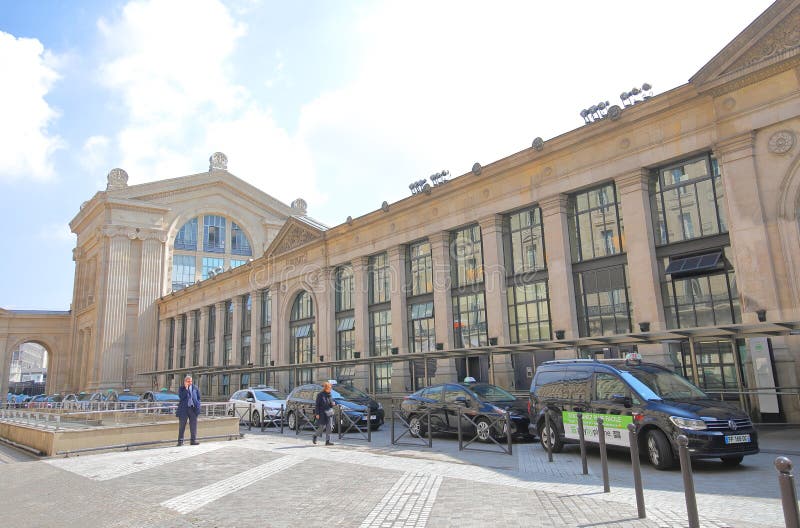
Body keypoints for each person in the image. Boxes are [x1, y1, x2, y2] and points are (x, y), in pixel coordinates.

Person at [177, 375, 201, 446]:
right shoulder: (181, 388)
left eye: (190, 381)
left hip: (193, 409)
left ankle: (193, 440)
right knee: (182, 426)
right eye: (188, 381)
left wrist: (198, 404)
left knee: (193, 426)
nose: (190, 382)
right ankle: (180, 441)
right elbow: (181, 397)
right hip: (184, 409)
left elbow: (198, 397)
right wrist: (186, 389)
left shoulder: (195, 388)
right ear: (185, 382)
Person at [312, 381, 336, 446]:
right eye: (329, 388)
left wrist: (332, 404)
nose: (330, 389)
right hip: (322, 413)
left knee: (329, 427)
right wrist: (317, 414)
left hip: (329, 413)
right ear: (326, 388)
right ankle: (315, 435)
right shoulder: (320, 395)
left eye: (330, 388)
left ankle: (327, 441)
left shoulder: (330, 395)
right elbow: (317, 405)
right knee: (322, 427)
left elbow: (331, 404)